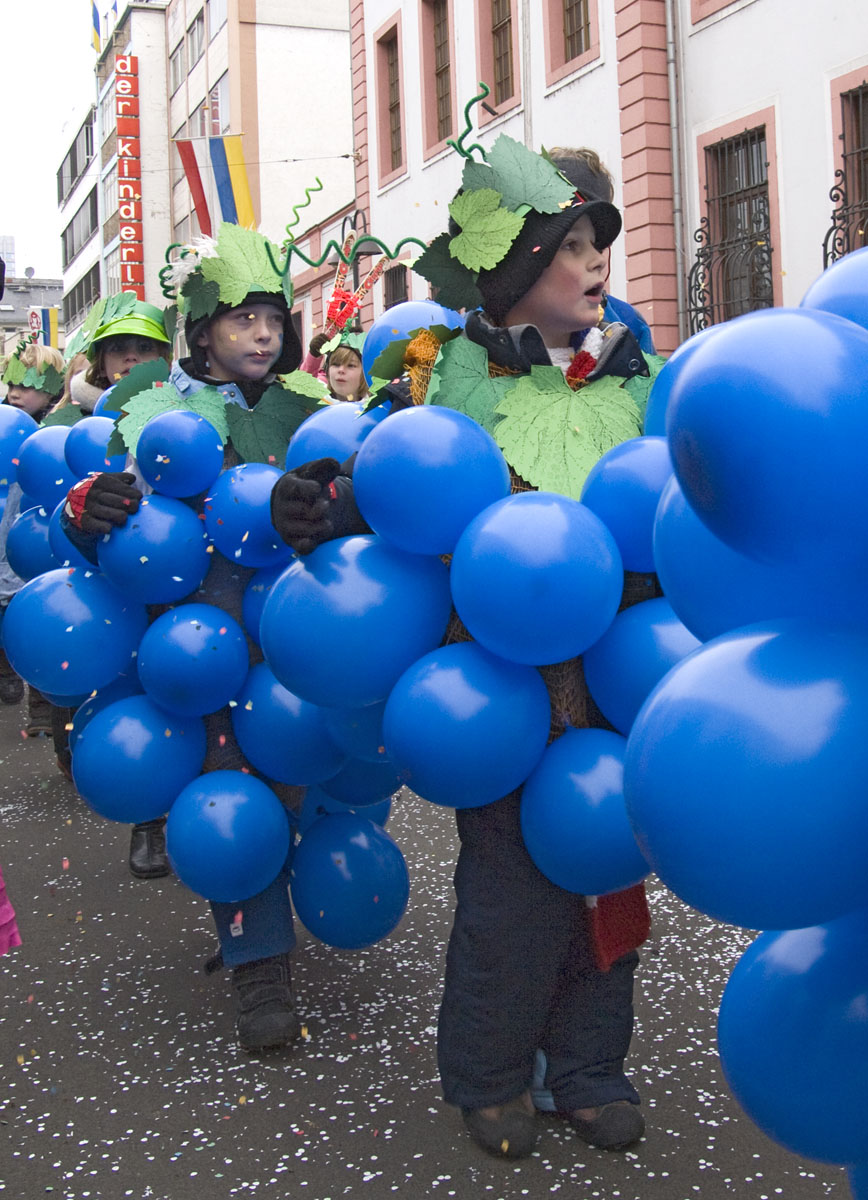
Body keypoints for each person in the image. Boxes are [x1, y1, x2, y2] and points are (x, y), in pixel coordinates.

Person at [269, 140, 654, 1158]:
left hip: (619, 677)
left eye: (600, 241)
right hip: (494, 690)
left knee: (608, 866)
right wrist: (316, 507)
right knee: (511, 898)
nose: (596, 262)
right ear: (516, 263)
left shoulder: (641, 374)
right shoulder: (445, 379)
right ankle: (490, 1074)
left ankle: (589, 1067)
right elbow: (388, 487)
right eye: (570, 244)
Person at [57, 227, 305, 1052]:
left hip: (296, 635)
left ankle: (290, 895)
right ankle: (258, 961)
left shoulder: (301, 409)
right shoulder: (159, 410)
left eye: (274, 318)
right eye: (242, 319)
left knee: (300, 777)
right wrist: (87, 510)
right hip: (199, 643)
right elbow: (100, 504)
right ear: (201, 333)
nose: (263, 335)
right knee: (228, 783)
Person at [0, 342, 65, 716]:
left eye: (27, 385)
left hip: (45, 535)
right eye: (12, 383)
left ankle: (42, 698)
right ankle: (7, 665)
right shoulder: (5, 425)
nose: (16, 393)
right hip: (8, 532)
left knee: (44, 616)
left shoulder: (61, 428)